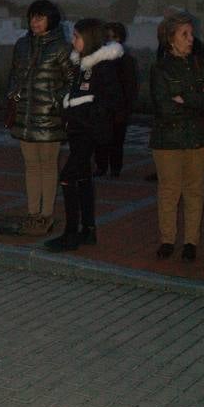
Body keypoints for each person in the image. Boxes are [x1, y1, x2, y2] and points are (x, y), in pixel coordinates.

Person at [44, 19, 123, 251]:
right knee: (83, 178)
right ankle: (87, 230)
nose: (73, 40)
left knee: (68, 176)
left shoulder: (102, 66)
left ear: (88, 39)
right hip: (79, 130)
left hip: (88, 131)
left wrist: (86, 115)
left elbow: (111, 101)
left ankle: (71, 233)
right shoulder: (82, 65)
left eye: (77, 36)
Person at [149, 13, 204, 261]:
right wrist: (197, 100)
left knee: (195, 190)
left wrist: (185, 99)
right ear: (170, 39)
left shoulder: (200, 63)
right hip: (168, 139)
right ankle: (167, 239)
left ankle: (191, 241)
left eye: (191, 34)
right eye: (185, 35)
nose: (191, 39)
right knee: (169, 191)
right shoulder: (160, 68)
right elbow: (164, 106)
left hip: (199, 138)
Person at [7, 0, 71, 235]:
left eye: (40, 17)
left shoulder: (61, 48)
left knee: (48, 166)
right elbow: (14, 74)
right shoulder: (22, 45)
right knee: (31, 166)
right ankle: (33, 213)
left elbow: (72, 81)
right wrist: (13, 94)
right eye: (33, 17)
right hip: (25, 115)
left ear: (50, 20)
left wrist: (55, 100)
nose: (35, 22)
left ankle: (46, 214)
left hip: (50, 117)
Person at [94, 22, 139, 178]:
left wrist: (125, 109)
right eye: (106, 37)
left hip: (118, 108)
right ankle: (101, 167)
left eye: (112, 37)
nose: (108, 40)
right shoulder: (98, 59)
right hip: (101, 108)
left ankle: (114, 169)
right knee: (100, 140)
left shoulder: (126, 60)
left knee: (116, 141)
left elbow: (131, 87)